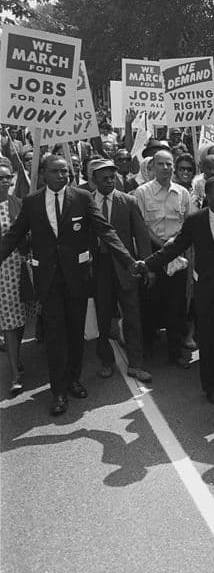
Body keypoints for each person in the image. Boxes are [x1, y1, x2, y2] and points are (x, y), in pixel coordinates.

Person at [0, 155, 136, 415]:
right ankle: (58, 391)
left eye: (66, 172)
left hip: (77, 279)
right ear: (43, 174)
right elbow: (14, 236)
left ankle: (74, 379)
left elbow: (105, 231)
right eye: (56, 171)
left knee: (76, 332)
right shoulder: (32, 203)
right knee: (54, 336)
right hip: (48, 281)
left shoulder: (82, 199)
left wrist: (128, 260)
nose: (63, 176)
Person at [136, 177, 214, 412]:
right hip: (208, 294)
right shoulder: (196, 221)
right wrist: (148, 264)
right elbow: (175, 247)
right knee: (209, 344)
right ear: (208, 198)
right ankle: (211, 388)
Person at [89, 159, 153, 382]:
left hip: (127, 268)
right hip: (99, 267)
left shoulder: (128, 201)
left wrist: (147, 266)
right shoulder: (85, 202)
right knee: (103, 317)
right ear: (93, 179)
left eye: (112, 177)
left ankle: (136, 364)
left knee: (132, 317)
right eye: (104, 178)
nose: (109, 181)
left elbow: (141, 237)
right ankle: (106, 361)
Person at [133, 150, 192, 367]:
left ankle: (175, 351)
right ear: (151, 168)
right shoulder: (142, 192)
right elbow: (141, 226)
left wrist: (175, 245)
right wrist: (162, 246)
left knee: (176, 306)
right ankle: (147, 346)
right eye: (160, 164)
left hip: (177, 257)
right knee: (150, 303)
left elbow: (187, 223)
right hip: (153, 256)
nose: (165, 168)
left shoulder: (182, 192)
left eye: (169, 164)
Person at [0, 163, 32, 395]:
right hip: (2, 273)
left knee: (19, 320)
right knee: (10, 323)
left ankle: (16, 353)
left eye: (6, 177)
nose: (3, 181)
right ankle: (14, 374)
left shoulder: (18, 204)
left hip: (19, 269)